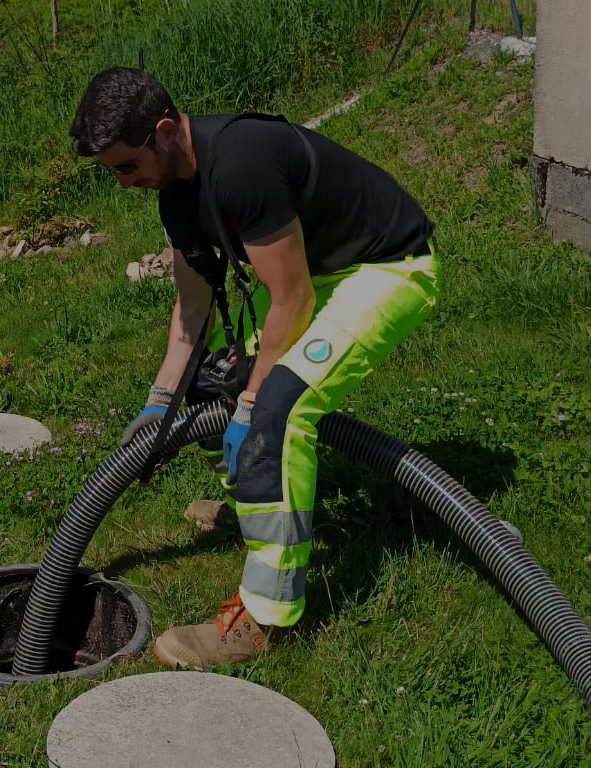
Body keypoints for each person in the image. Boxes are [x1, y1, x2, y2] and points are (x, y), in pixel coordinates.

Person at [68, 67, 440, 670]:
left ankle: (264, 617)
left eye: (125, 166)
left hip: (386, 267)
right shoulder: (176, 196)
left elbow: (290, 298)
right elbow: (193, 310)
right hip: (314, 272)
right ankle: (258, 505)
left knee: (277, 409)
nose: (120, 182)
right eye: (109, 171)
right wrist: (160, 402)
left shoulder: (239, 164)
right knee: (221, 375)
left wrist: (250, 408)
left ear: (164, 131)